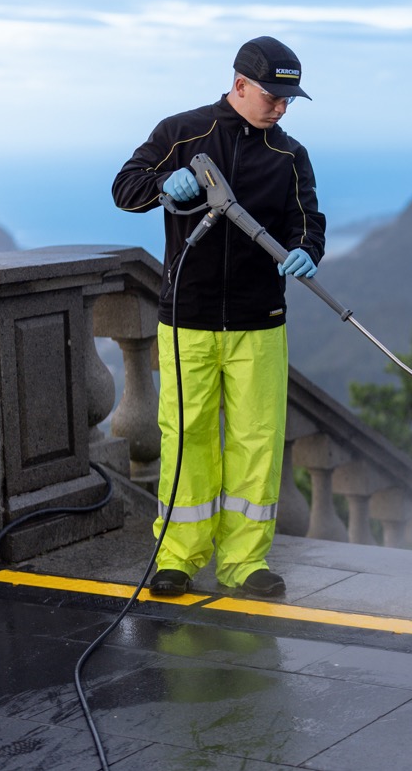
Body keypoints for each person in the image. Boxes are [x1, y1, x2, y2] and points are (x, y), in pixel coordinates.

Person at [112, 36, 325, 599]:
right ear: (240, 85)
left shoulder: (290, 155)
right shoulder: (182, 133)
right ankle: (177, 558)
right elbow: (124, 189)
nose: (281, 108)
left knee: (259, 439)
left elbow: (307, 221)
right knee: (187, 436)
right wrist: (163, 184)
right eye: (272, 96)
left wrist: (307, 250)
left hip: (260, 320)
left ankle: (245, 562)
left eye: (288, 99)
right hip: (188, 317)